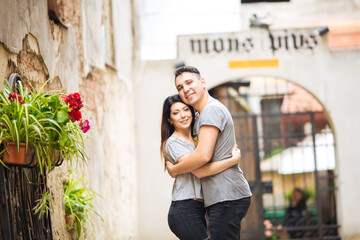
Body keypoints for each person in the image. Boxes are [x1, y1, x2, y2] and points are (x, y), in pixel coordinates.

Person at [166, 66, 252, 240]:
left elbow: (202, 158)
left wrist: (175, 170)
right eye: (180, 87)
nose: (185, 89)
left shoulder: (211, 111)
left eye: (189, 82)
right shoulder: (199, 116)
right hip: (221, 196)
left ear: (203, 82)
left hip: (226, 195)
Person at [161, 94, 241, 240]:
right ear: (169, 119)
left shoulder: (198, 137)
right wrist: (232, 160)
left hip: (198, 208)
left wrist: (174, 170)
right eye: (176, 113)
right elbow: (199, 171)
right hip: (184, 209)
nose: (183, 115)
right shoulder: (173, 142)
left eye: (186, 109)